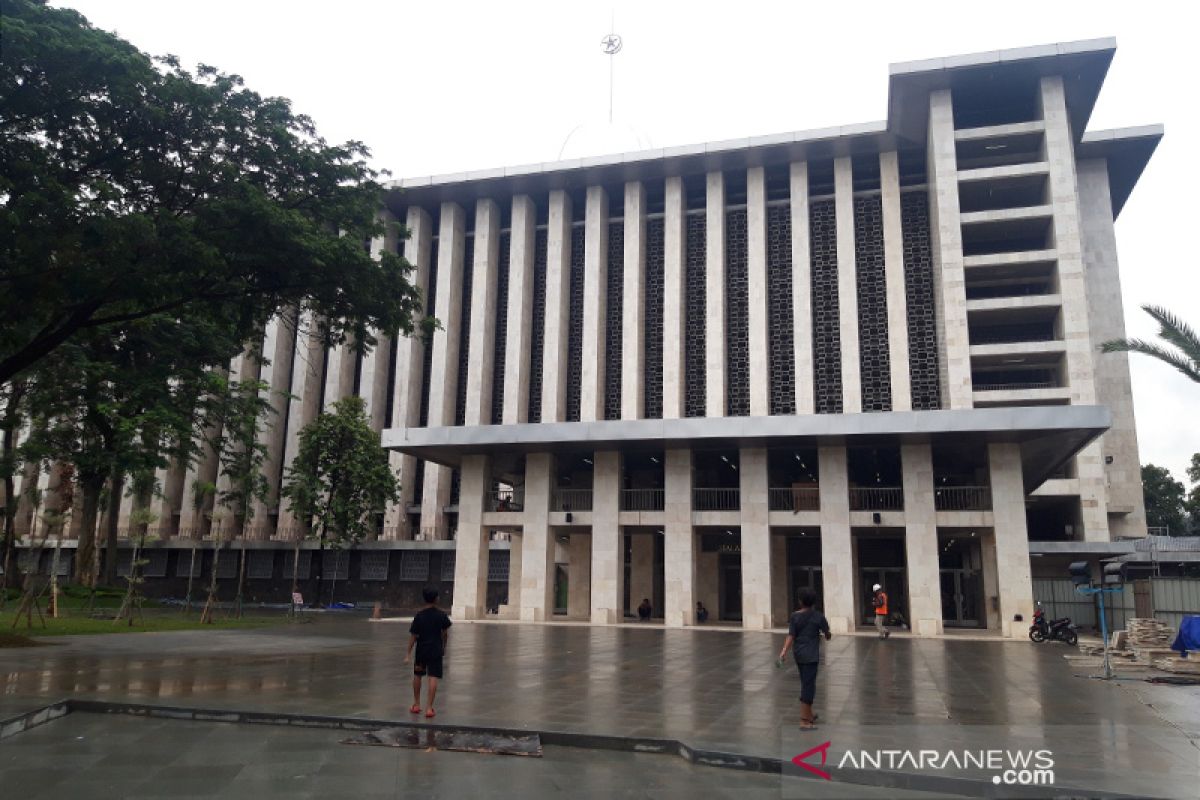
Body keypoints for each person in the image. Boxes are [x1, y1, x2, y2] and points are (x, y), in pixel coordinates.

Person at [778, 590, 831, 731]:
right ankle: (804, 721)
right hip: (811, 656)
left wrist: (783, 651)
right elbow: (827, 634)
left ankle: (810, 714)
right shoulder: (819, 617)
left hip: (799, 654)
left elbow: (791, 636)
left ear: (800, 601)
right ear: (814, 602)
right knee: (808, 686)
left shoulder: (794, 616)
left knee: (806, 682)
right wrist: (826, 634)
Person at [404, 586, 452, 718]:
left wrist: (408, 653)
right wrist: (444, 648)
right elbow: (445, 634)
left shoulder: (419, 616)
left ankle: (416, 704)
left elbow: (413, 636)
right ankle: (429, 708)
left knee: (418, 675)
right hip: (435, 650)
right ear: (436, 599)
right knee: (433, 677)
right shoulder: (441, 615)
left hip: (421, 651)